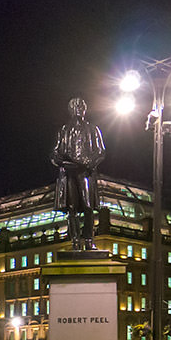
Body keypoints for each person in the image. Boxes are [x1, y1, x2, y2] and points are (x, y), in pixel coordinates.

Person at [51, 97, 106, 250]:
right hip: (69, 173)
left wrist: (90, 163)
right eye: (75, 106)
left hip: (85, 173)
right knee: (71, 207)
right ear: (71, 110)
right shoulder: (64, 130)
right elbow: (55, 153)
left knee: (88, 206)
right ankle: (75, 241)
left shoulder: (93, 129)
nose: (79, 109)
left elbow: (101, 152)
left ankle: (89, 241)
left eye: (81, 106)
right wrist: (62, 162)